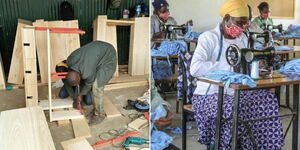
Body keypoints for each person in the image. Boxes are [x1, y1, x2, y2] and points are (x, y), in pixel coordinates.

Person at [190, 0, 284, 149]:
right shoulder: (208, 38)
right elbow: (194, 69)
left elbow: (245, 64)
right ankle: (228, 145)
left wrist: (258, 66)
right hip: (209, 94)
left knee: (268, 100)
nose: (241, 28)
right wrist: (227, 66)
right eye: (239, 23)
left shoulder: (243, 39)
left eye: (244, 24)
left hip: (236, 91)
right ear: (227, 18)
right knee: (235, 108)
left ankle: (258, 145)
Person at [58, 41, 117, 125]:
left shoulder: (87, 72)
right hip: (97, 52)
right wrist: (77, 97)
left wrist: (80, 96)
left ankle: (100, 114)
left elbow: (89, 83)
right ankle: (95, 110)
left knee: (97, 86)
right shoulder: (70, 61)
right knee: (88, 92)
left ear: (80, 77)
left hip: (108, 55)